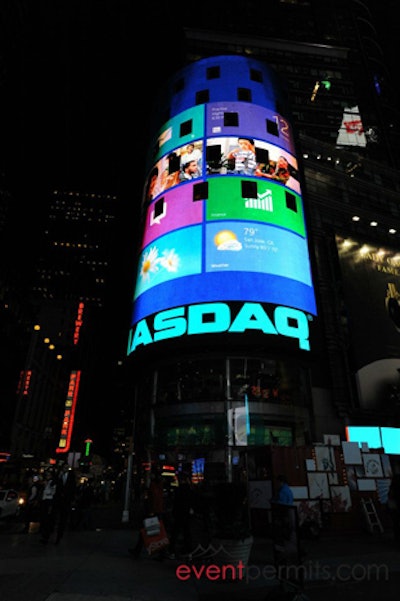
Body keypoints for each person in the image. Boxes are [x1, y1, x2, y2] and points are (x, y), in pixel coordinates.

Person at [129, 471, 166, 559]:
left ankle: (138, 551)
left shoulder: (153, 486)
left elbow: (153, 499)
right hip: (156, 511)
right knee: (152, 531)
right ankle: (160, 553)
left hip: (152, 511)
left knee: (147, 531)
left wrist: (151, 511)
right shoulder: (159, 486)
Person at [167, 472, 194, 559]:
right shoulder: (190, 490)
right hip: (186, 514)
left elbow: (176, 502)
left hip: (179, 514)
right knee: (187, 533)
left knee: (175, 533)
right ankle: (188, 552)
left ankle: (172, 552)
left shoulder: (179, 490)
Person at [53, 463, 77, 544]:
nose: (65, 469)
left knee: (63, 518)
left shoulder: (71, 476)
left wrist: (72, 498)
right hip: (58, 499)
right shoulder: (59, 475)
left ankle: (59, 535)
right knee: (56, 516)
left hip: (66, 500)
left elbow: (73, 488)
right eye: (64, 467)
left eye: (67, 467)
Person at [39, 469, 57, 544]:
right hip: (44, 501)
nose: (47, 476)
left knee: (47, 519)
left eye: (48, 475)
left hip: (49, 501)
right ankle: (43, 535)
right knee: (43, 518)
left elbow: (52, 493)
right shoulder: (45, 483)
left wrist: (47, 486)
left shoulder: (52, 483)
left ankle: (46, 536)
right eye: (46, 475)